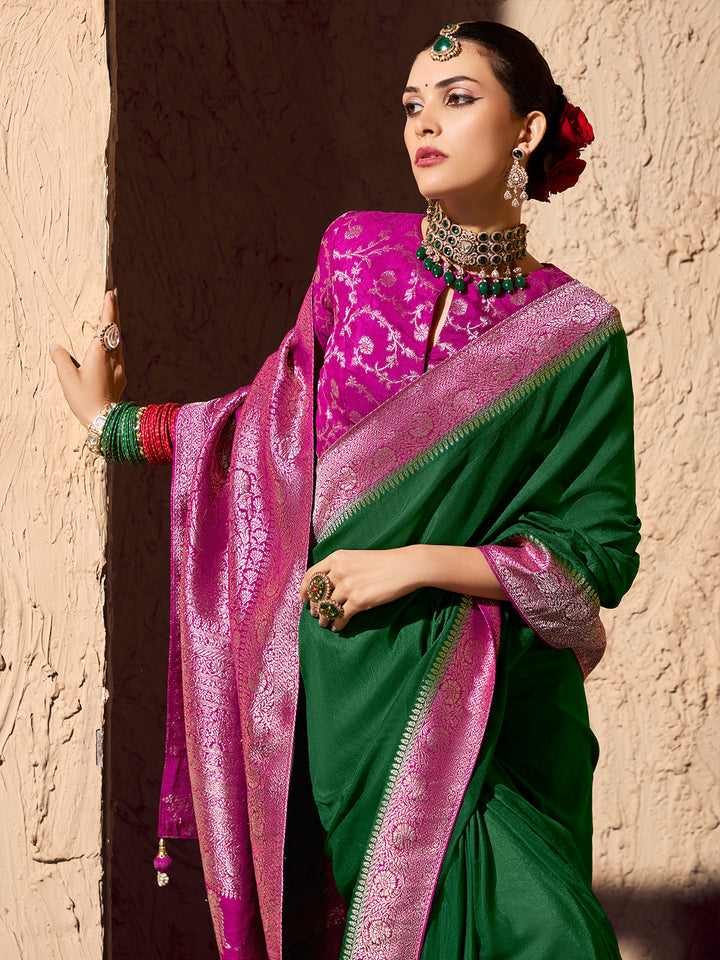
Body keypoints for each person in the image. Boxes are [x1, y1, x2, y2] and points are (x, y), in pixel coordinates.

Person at [51, 20, 640, 960]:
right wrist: (117, 426)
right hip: (325, 685)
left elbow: (597, 554)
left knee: (551, 933)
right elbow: (267, 431)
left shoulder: (577, 334)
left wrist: (411, 565)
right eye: (412, 105)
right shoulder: (355, 257)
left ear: (527, 131)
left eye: (456, 99)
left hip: (476, 702)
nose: (423, 125)